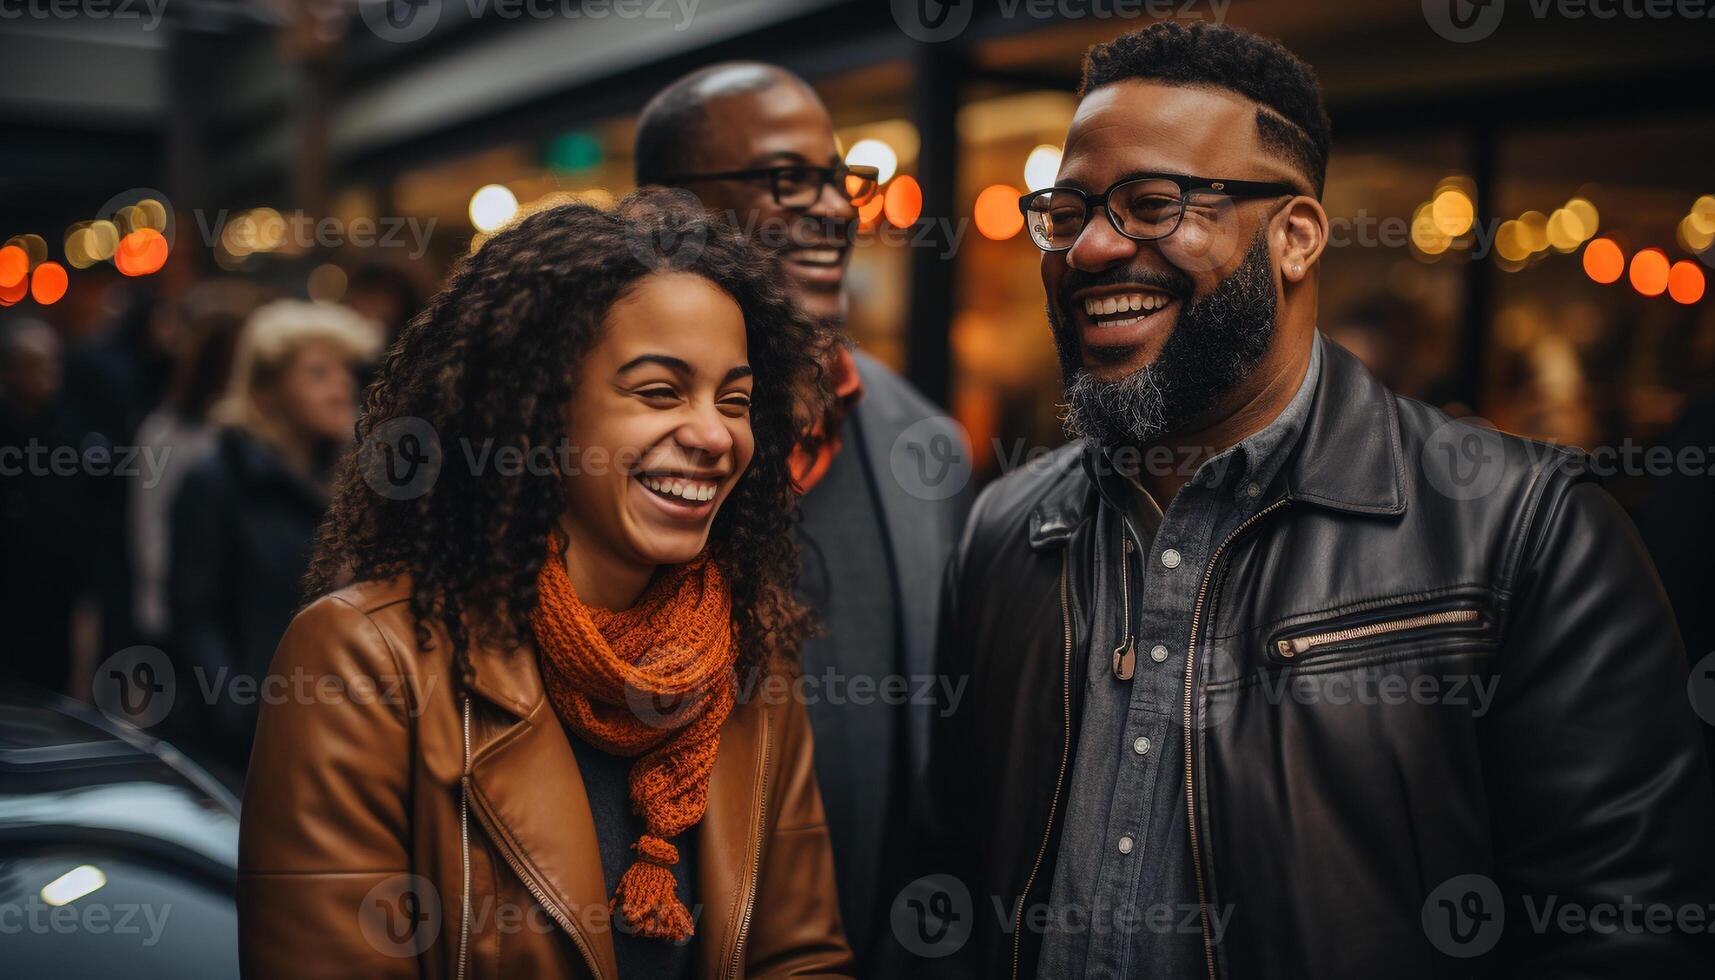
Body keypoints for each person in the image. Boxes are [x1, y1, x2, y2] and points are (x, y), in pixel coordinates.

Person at [926, 22, 1715, 979]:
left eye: (1151, 202)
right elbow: (951, 882)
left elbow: (1622, 931)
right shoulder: (1008, 530)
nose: (1089, 248)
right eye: (1066, 211)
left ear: (1294, 237)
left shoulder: (1524, 532)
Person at [238, 193, 853, 979]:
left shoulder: (749, 661)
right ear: (534, 411)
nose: (713, 434)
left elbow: (801, 960)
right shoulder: (365, 660)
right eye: (659, 392)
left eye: (734, 402)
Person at [636, 63, 970, 974]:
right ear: (671, 207)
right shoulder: (597, 441)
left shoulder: (926, 444)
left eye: (837, 180)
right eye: (786, 180)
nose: (832, 209)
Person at [168, 299, 378, 779]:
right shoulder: (215, 480)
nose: (342, 384)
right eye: (317, 373)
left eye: (345, 369)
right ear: (265, 391)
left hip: (335, 733)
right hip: (244, 749)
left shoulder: (346, 480)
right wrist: (243, 720)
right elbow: (195, 617)